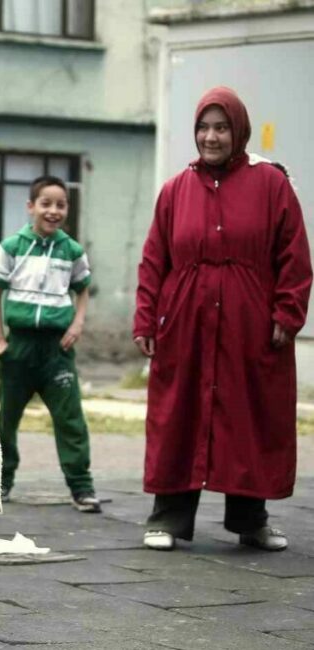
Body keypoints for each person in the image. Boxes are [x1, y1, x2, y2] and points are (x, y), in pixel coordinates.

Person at [134, 86, 311, 552]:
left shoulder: (272, 185)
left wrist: (288, 312)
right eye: (203, 127)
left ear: (239, 131)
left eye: (221, 127)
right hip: (185, 321)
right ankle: (168, 517)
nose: (210, 137)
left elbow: (294, 254)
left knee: (250, 413)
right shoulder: (175, 190)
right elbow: (155, 259)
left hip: (250, 322)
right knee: (180, 413)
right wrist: (146, 319)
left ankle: (251, 519)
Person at [0, 176, 101, 513]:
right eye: (46, 203)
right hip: (18, 348)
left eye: (61, 205)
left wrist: (78, 324)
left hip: (56, 351)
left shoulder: (72, 251)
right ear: (31, 207)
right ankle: (2, 482)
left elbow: (82, 291)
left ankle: (81, 487)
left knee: (70, 418)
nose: (53, 211)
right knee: (7, 419)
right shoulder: (10, 248)